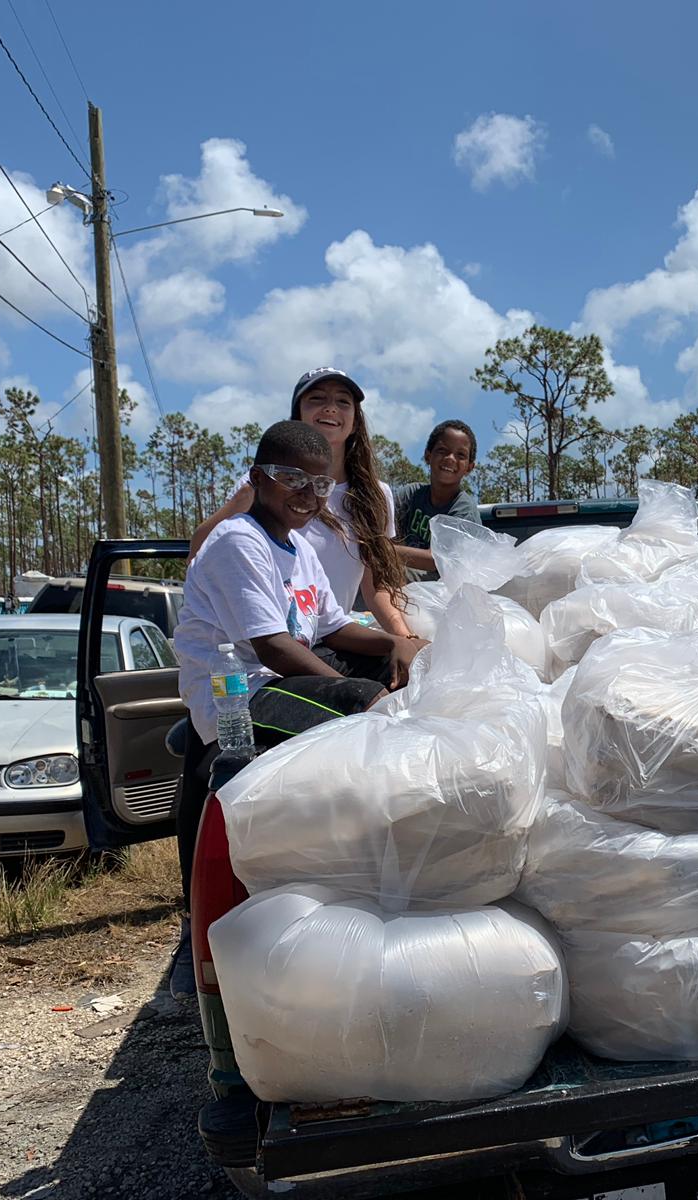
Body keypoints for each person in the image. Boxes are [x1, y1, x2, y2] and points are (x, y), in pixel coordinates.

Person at [166, 420, 421, 996]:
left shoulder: (300, 547)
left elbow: (334, 624)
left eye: (319, 487)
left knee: (394, 674)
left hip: (275, 679)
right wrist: (357, 699)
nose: (307, 497)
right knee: (367, 702)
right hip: (238, 695)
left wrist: (402, 644)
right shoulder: (238, 541)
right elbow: (273, 648)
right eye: (292, 482)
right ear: (258, 479)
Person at [190, 367, 421, 642]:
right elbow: (201, 554)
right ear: (297, 414)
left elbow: (377, 588)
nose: (331, 409)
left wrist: (407, 641)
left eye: (343, 402)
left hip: (334, 642)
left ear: (356, 421)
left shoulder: (376, 495)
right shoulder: (263, 483)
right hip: (267, 650)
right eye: (317, 399)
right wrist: (238, 503)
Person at [391, 419, 483, 577]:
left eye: (460, 455)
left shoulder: (463, 509)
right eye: (442, 450)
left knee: (388, 573)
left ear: (469, 467)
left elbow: (436, 560)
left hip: (442, 593)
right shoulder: (410, 494)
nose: (450, 458)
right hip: (404, 583)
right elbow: (382, 532)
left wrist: (383, 550)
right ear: (428, 456)